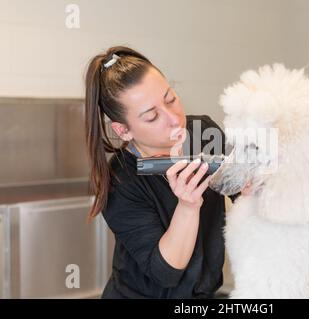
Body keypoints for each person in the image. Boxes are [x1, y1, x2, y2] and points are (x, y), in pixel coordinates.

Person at [84, 46, 248, 298]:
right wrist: (188, 206)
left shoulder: (204, 133)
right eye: (152, 116)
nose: (174, 118)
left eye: (170, 98)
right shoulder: (120, 181)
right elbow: (165, 273)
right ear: (123, 130)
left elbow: (244, 191)